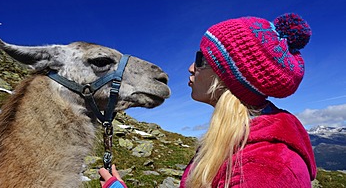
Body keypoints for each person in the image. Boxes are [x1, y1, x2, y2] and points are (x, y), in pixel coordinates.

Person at [99, 13, 317, 188]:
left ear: (230, 77)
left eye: (200, 59)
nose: (191, 68)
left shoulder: (265, 168)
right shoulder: (233, 142)